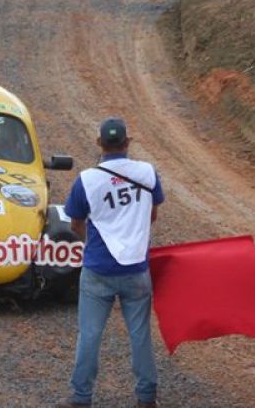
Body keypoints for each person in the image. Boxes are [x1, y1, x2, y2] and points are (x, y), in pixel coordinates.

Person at [58, 118, 165, 408]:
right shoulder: (147, 172)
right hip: (136, 269)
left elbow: (75, 223)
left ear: (99, 143)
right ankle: (146, 397)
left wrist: (92, 243)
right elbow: (152, 214)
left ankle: (81, 397)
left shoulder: (87, 180)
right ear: (128, 142)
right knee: (140, 334)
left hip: (98, 270)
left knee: (90, 335)